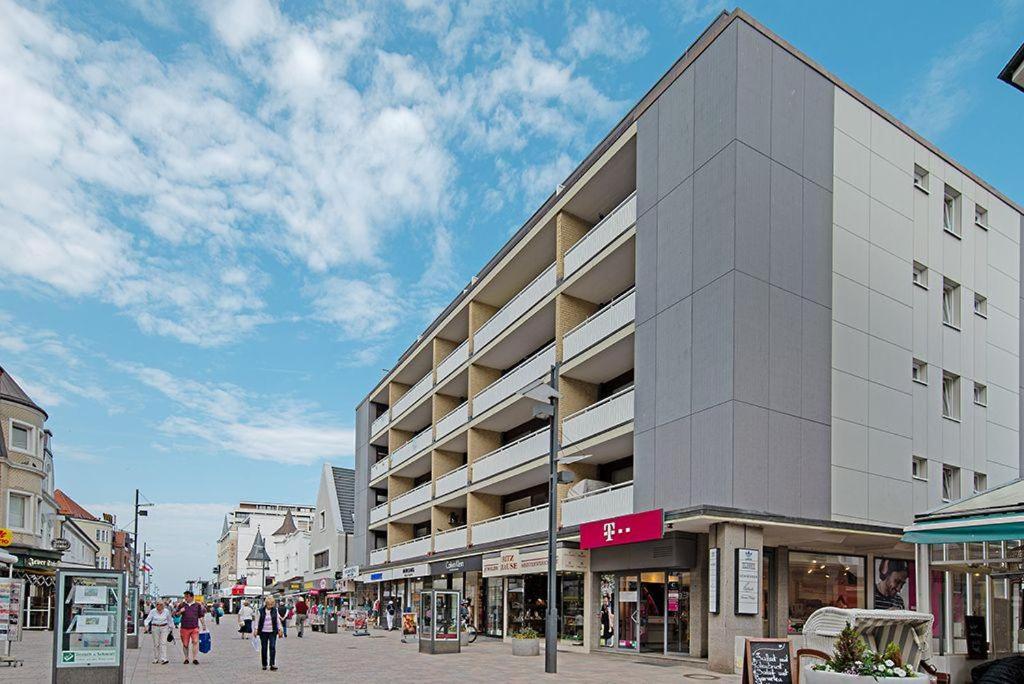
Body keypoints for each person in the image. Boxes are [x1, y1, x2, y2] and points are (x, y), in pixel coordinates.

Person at [174, 590, 206, 665]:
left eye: (187, 597)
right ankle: (186, 658)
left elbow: (201, 616)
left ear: (192, 597)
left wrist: (204, 625)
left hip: (194, 627)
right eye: (185, 596)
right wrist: (180, 612)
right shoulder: (182, 605)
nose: (185, 598)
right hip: (184, 627)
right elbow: (176, 615)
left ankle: (195, 658)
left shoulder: (197, 605)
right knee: (185, 644)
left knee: (195, 642)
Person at [253, 596, 283, 671]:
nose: (270, 606)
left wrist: (280, 629)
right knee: (264, 648)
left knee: (272, 647)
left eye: (272, 604)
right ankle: (264, 664)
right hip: (263, 632)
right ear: (266, 603)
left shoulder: (275, 610)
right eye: (269, 604)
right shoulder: (260, 611)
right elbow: (257, 620)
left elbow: (277, 620)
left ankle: (272, 664)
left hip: (272, 631)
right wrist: (256, 629)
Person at [144, 599, 172, 665]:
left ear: (163, 606)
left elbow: (170, 620)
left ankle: (164, 659)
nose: (159, 606)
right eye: (158, 605)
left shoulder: (166, 611)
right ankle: (156, 658)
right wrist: (146, 626)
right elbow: (148, 619)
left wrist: (171, 628)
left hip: (164, 627)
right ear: (156, 605)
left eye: (161, 605)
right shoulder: (153, 611)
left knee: (163, 643)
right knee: (156, 644)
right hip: (155, 627)